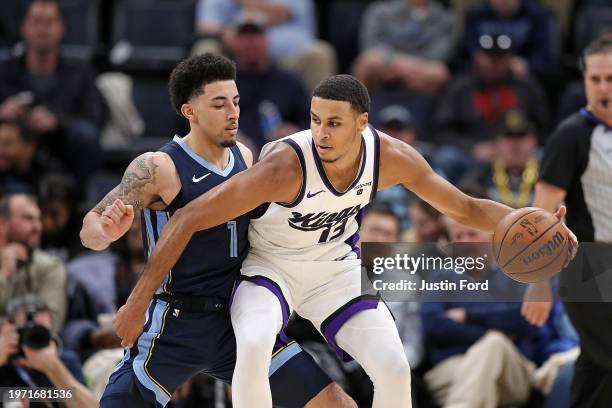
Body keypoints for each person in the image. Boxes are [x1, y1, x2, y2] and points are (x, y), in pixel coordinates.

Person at [112, 73, 577, 407]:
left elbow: (466, 208)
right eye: (315, 120)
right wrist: (137, 301)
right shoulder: (284, 166)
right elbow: (189, 216)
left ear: (361, 123)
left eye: (334, 123)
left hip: (335, 271)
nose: (321, 133)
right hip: (270, 269)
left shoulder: (391, 157)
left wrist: (532, 222)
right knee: (253, 345)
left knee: (394, 369)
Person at [80, 54, 354, 408]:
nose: (233, 112)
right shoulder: (158, 166)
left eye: (236, 102)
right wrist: (106, 231)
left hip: (237, 316)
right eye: (219, 104)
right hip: (176, 322)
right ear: (189, 111)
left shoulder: (245, 155)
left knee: (337, 403)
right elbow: (90, 229)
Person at [521, 35, 612, 407]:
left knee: (596, 368)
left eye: (611, 78)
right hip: (589, 266)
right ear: (584, 80)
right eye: (595, 79)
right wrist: (539, 283)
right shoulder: (571, 136)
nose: (603, 87)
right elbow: (541, 217)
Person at [0, 0, 105, 194]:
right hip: (14, 152)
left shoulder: (80, 73)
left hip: (61, 150)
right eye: (37, 21)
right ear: (24, 27)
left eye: (49, 22)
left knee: (86, 136)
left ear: (61, 28)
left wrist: (57, 122)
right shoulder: (4, 71)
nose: (43, 29)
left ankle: (78, 198)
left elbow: (94, 119)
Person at [0, 295, 97, 408]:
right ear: (9, 330)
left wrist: (54, 367)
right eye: (27, 330)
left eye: (41, 331)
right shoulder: (4, 363)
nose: (34, 338)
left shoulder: (65, 360)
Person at [0, 193, 67, 334]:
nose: (38, 227)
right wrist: (4, 274)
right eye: (28, 219)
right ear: (3, 223)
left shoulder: (50, 267)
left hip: (34, 350)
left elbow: (51, 324)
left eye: (39, 219)